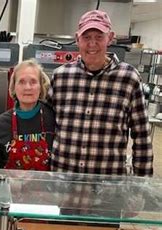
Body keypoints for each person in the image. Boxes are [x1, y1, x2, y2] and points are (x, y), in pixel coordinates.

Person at [50, 10, 153, 176]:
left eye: (99, 37)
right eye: (86, 37)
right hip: (62, 179)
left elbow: (142, 136)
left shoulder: (129, 78)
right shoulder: (60, 76)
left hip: (108, 183)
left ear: (110, 38)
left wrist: (142, 185)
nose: (92, 43)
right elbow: (43, 122)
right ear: (77, 39)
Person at [0, 59, 56, 170]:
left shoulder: (54, 117)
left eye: (33, 81)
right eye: (21, 82)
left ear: (41, 86)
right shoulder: (1, 123)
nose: (27, 87)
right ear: (14, 87)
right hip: (9, 186)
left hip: (45, 186)